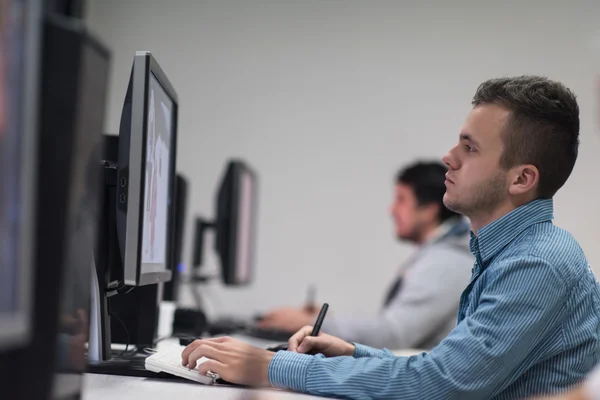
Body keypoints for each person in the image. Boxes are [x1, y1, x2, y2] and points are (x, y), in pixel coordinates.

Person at [181, 76, 600, 399]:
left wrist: (268, 368)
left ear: (522, 179)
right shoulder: (510, 251)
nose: (448, 157)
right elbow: (451, 367)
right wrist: (353, 353)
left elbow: (440, 385)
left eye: (470, 149)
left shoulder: (536, 263)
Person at [257, 161, 474, 350]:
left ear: (429, 210)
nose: (392, 210)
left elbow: (393, 335)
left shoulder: (444, 262)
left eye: (401, 199)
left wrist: (310, 322)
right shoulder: (440, 256)